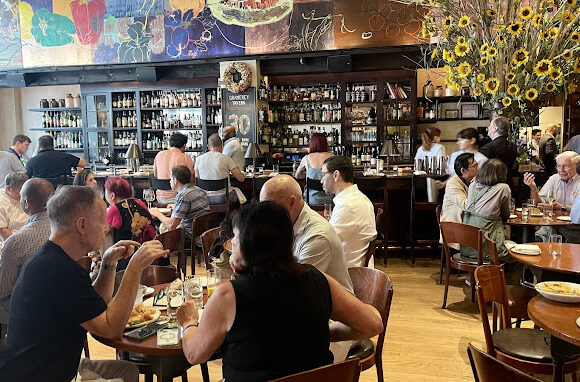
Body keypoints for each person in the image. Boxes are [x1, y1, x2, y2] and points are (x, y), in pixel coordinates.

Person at [175, 202, 383, 381]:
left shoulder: (229, 296)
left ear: (248, 244)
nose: (232, 243)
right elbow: (372, 324)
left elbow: (195, 355)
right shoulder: (318, 279)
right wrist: (318, 332)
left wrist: (188, 322)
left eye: (235, 237)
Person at [0, 185, 169, 381]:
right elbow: (111, 328)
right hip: (38, 375)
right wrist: (134, 268)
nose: (106, 228)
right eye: (102, 221)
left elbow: (95, 306)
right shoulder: (60, 271)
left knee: (127, 371)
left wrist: (108, 263)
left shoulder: (52, 259)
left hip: (45, 364)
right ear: (82, 226)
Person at [260, 174, 354, 361]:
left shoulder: (317, 237)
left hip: (329, 327)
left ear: (291, 202)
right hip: (303, 315)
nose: (264, 214)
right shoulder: (285, 224)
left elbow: (296, 292)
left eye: (268, 207)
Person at [0, 178, 54, 327]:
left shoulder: (16, 242)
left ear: (27, 203)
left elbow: (4, 290)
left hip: (28, 308)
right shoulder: (67, 230)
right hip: (63, 302)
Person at [321, 156, 376, 268]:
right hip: (357, 265)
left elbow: (325, 243)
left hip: (348, 273)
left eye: (323, 175)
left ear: (336, 175)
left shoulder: (347, 205)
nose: (321, 180)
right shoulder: (360, 198)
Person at [150, 165, 210, 250]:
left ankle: (163, 259)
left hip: (188, 238)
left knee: (161, 227)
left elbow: (172, 225)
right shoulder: (199, 191)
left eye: (171, 179)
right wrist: (176, 207)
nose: (170, 182)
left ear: (175, 180)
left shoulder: (183, 196)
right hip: (202, 235)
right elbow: (192, 210)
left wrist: (157, 213)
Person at [461, 159, 511, 260]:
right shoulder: (503, 188)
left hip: (466, 248)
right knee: (517, 259)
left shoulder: (473, 185)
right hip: (487, 250)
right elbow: (506, 215)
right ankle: (499, 275)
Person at [104, 177, 156, 270]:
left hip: (128, 258)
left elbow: (103, 231)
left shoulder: (115, 209)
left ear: (112, 195)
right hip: (150, 253)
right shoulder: (139, 202)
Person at [440, 153, 479, 249]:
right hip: (455, 227)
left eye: (477, 165)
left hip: (468, 221)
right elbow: (466, 205)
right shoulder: (453, 183)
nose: (478, 169)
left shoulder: (472, 180)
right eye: (474, 166)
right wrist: (476, 185)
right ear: (463, 170)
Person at [195, 133, 246, 204]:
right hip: (224, 197)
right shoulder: (226, 159)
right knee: (240, 196)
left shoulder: (198, 159)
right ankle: (233, 214)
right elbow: (241, 178)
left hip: (204, 198)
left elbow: (197, 178)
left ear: (208, 147)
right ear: (222, 146)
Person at [153, 132, 195, 205]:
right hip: (179, 198)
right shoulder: (185, 157)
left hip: (160, 198)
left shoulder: (159, 155)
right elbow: (191, 180)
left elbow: (155, 175)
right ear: (184, 145)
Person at [295, 133, 334, 205]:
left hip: (311, 200)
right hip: (330, 201)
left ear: (312, 143)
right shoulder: (332, 157)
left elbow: (297, 176)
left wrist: (311, 175)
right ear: (325, 143)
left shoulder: (306, 158)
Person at [479, 116, 517, 188]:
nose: (488, 128)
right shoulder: (513, 146)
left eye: (490, 126)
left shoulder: (487, 148)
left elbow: (482, 171)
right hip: (508, 184)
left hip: (491, 186)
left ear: (495, 128)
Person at [0, 172, 29, 240]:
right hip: (13, 239)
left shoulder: (28, 194)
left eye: (26, 190)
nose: (25, 194)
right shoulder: (2, 203)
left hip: (30, 232)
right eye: (21, 191)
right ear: (9, 188)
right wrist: (20, 241)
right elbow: (3, 231)